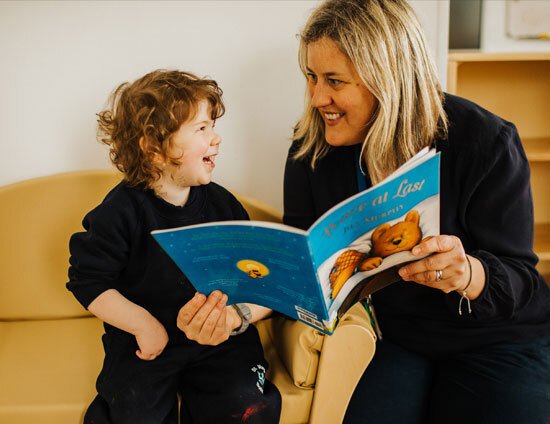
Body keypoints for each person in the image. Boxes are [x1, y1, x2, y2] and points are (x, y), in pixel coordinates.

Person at [283, 1, 550, 423]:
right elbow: (302, 253)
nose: (318, 98)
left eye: (334, 80)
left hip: (496, 337)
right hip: (397, 337)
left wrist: (468, 274)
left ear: (389, 80)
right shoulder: (311, 150)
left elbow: (523, 279)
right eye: (312, 77)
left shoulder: (486, 141)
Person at [67, 70, 281, 424]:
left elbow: (257, 279)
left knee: (243, 405)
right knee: (131, 412)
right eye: (202, 129)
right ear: (153, 148)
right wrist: (142, 324)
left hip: (219, 339)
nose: (216, 139)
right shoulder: (119, 213)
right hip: (148, 342)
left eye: (213, 126)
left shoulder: (223, 206)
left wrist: (232, 318)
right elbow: (88, 281)